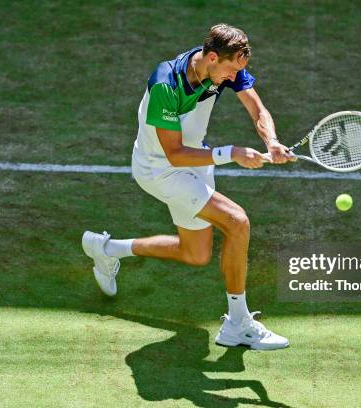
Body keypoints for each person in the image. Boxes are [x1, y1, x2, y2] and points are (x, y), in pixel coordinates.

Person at [82, 24, 295, 350]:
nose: (233, 78)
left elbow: (256, 109)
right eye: (229, 71)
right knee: (237, 222)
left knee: (194, 253)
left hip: (195, 163)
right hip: (160, 170)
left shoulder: (226, 66)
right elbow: (174, 154)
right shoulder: (166, 84)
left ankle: (108, 249)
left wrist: (273, 141)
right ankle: (238, 324)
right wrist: (231, 154)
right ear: (212, 57)